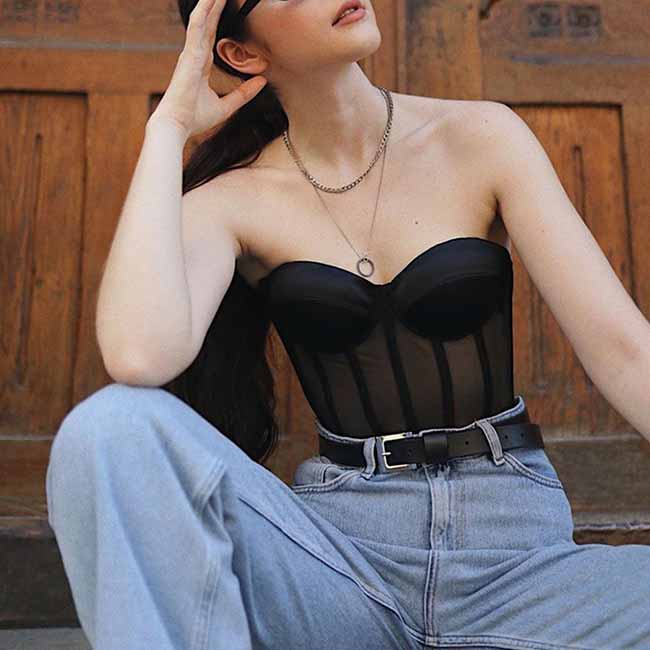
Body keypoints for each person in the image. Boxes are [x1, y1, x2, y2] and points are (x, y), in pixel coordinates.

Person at [46, 0, 650, 648]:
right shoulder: (233, 201)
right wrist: (166, 131)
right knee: (107, 426)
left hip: (521, 570)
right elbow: (139, 354)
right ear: (242, 53)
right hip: (342, 570)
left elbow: (624, 352)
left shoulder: (482, 137)